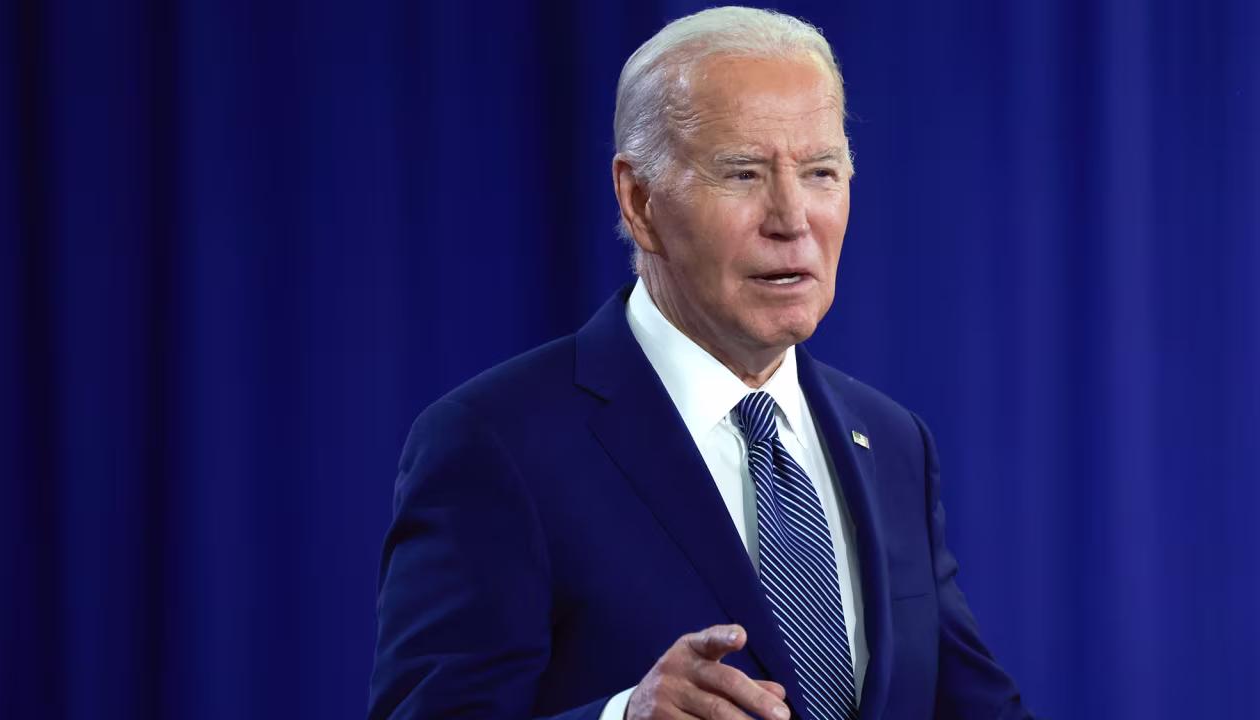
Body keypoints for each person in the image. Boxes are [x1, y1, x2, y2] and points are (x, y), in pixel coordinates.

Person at [369, 7, 1032, 720]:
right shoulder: (495, 444)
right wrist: (623, 718)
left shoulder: (893, 440)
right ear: (640, 201)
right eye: (743, 174)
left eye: (820, 172)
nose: (792, 218)